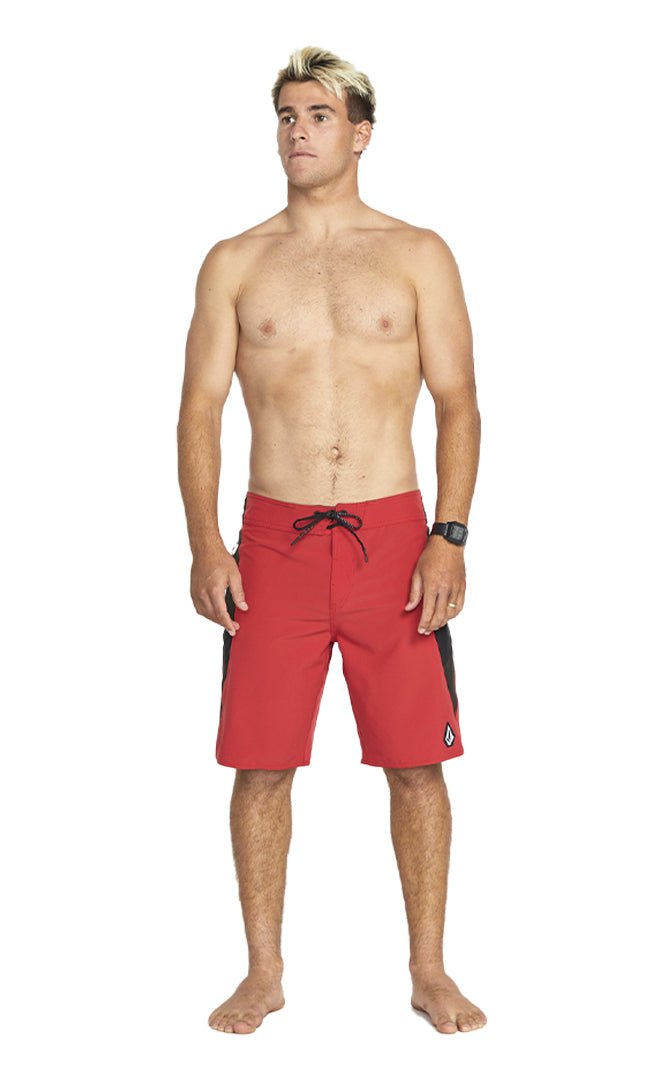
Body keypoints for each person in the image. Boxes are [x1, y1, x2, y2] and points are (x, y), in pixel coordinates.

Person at [176, 45, 486, 1036]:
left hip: (394, 540)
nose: (296, 131)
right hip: (272, 544)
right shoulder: (234, 261)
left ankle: (428, 970)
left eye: (316, 115)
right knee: (260, 764)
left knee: (416, 763)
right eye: (285, 115)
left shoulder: (418, 252)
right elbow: (198, 411)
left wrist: (448, 536)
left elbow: (458, 400)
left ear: (360, 133)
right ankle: (263, 973)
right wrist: (206, 546)